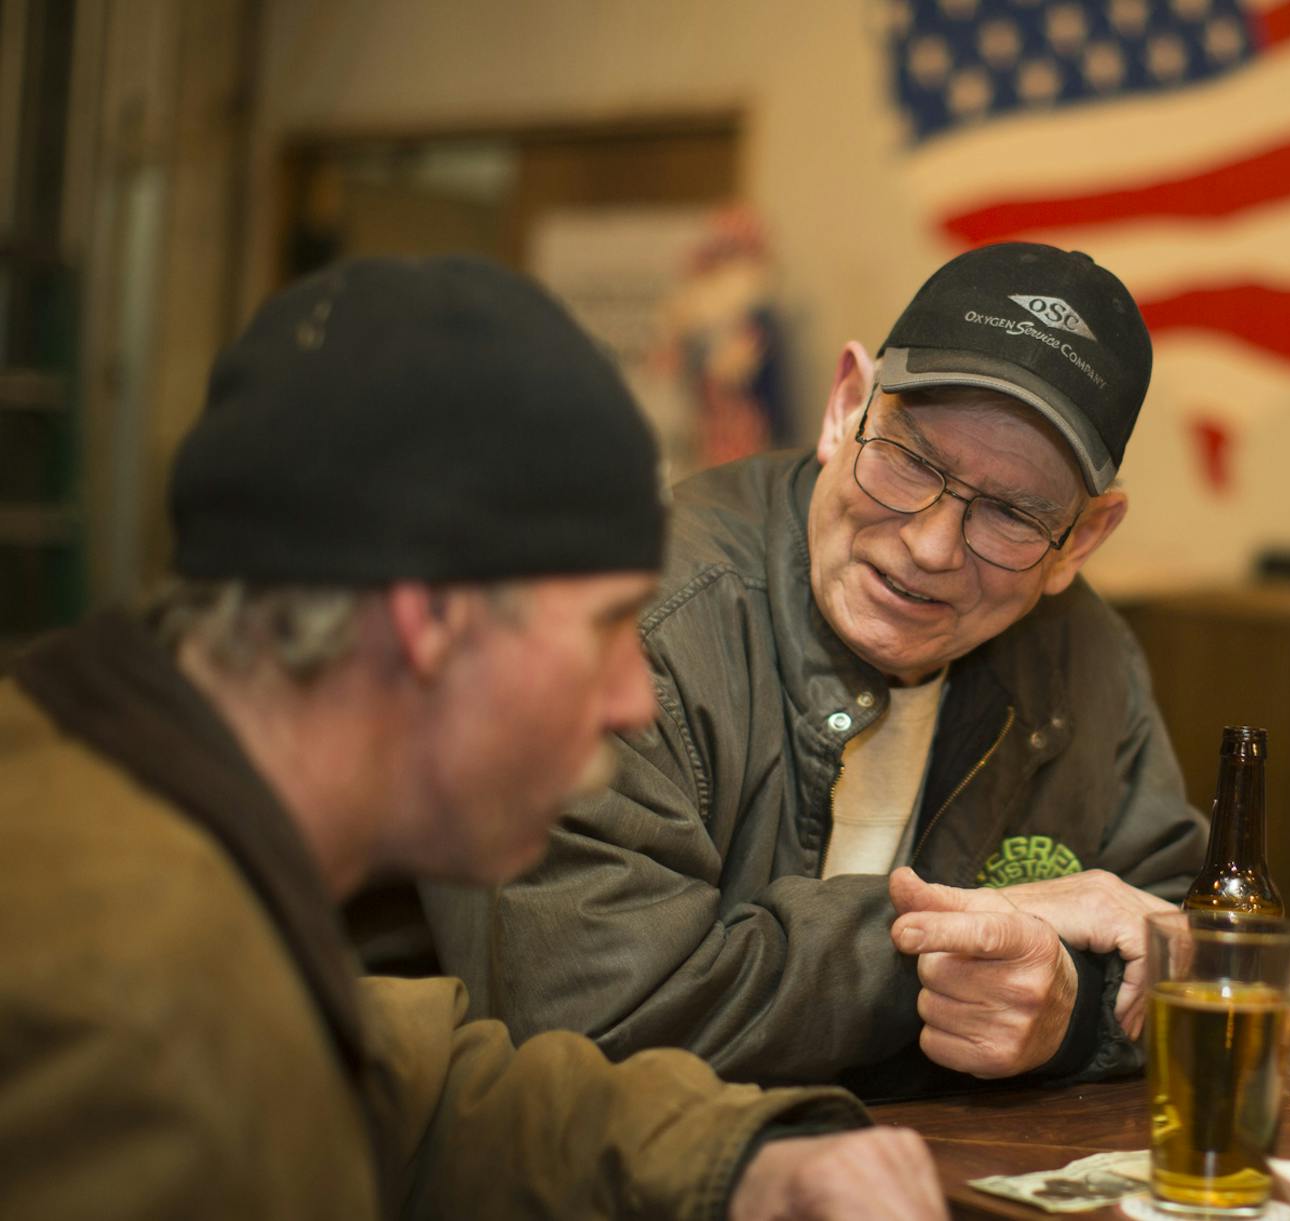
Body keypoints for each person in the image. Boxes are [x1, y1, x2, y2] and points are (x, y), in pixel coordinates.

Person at [0, 256, 946, 1219]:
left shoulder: (158, 834)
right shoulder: (133, 1014)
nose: (629, 696)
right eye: (604, 626)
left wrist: (741, 1161)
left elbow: (410, 1089)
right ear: (433, 620)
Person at [422, 242, 1208, 1100]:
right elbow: (582, 1023)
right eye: (911, 460)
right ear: (844, 407)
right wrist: (957, 950)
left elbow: (1187, 964)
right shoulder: (629, 625)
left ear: (1083, 539)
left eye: (1015, 513)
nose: (931, 545)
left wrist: (1063, 1024)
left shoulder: (1087, 661)